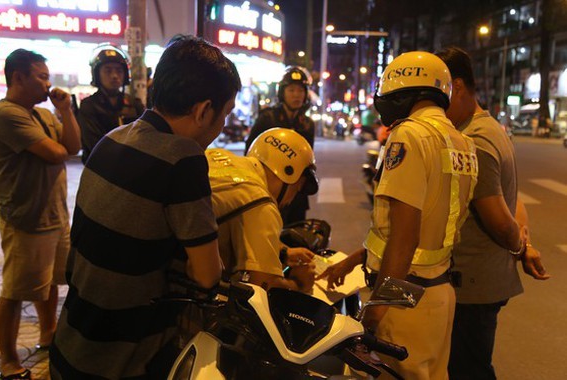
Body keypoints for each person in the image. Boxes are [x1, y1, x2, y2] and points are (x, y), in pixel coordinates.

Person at [49, 35, 241, 379]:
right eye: (225, 113)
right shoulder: (184, 159)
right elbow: (207, 274)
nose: (224, 124)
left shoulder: (113, 138)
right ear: (202, 110)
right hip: (122, 362)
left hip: (70, 345)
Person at [318, 51, 478, 379]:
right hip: (440, 294)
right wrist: (354, 260)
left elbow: (405, 239)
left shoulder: (409, 135)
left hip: (404, 297)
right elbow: (423, 224)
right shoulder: (462, 142)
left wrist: (375, 312)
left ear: (403, 93)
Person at [435, 46, 550, 380]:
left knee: (468, 370)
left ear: (454, 87)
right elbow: (515, 200)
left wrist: (517, 244)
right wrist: (524, 247)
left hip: (472, 285)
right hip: (482, 281)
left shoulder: (474, 140)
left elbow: (500, 220)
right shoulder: (490, 128)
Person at [0, 48, 81, 380]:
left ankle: (48, 334)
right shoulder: (7, 114)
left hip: (55, 214)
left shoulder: (44, 114)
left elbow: (73, 147)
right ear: (18, 77)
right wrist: (60, 142)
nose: (48, 83)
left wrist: (66, 112)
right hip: (26, 218)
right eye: (41, 76)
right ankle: (8, 360)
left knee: (49, 282)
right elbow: (55, 154)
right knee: (16, 291)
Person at [208, 128, 318, 293]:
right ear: (288, 173)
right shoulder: (261, 203)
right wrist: (300, 285)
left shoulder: (217, 156)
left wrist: (283, 253)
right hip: (185, 297)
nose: (292, 199)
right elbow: (262, 287)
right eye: (297, 188)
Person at [245, 67, 315, 226]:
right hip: (268, 192)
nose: (296, 95)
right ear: (282, 93)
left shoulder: (308, 125)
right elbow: (250, 154)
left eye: (300, 90)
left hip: (297, 195)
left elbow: (308, 162)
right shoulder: (267, 118)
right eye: (291, 90)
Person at [78, 44, 144, 163]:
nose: (114, 76)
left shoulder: (134, 104)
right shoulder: (89, 105)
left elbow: (144, 139)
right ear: (97, 74)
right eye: (108, 70)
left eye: (119, 71)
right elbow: (93, 144)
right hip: (98, 170)